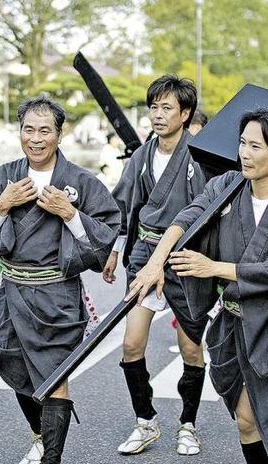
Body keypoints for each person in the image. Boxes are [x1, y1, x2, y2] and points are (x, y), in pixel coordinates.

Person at [129, 108, 268, 463]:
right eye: (242, 143)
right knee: (247, 420)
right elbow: (188, 216)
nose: (245, 154)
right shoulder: (226, 185)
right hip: (234, 324)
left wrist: (211, 267)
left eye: (256, 146)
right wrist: (156, 262)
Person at [0, 96, 120, 464]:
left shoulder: (81, 181)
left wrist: (70, 213)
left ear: (59, 135)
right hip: (14, 291)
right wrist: (1, 205)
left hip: (57, 296)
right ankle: (39, 433)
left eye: (45, 130)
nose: (36, 138)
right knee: (14, 366)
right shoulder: (5, 177)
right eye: (28, 129)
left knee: (55, 374)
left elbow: (106, 235)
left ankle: (52, 456)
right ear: (20, 132)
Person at [105, 75, 208, 456]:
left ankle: (188, 424)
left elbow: (209, 215)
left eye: (167, 108)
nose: (158, 115)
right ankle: (145, 420)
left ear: (185, 114)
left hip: (184, 258)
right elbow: (123, 206)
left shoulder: (200, 156)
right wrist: (116, 250)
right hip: (144, 255)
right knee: (131, 344)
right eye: (154, 107)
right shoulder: (142, 157)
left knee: (191, 350)